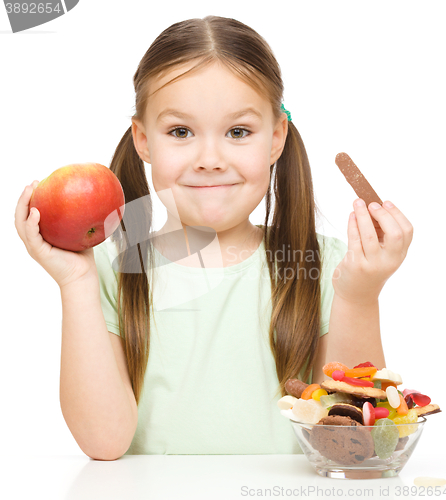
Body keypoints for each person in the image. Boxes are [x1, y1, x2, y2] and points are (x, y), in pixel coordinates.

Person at [14, 15, 414, 459]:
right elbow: (104, 444)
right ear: (144, 140)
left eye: (238, 132)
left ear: (276, 137)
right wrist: (75, 283)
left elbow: (352, 444)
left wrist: (360, 297)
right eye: (180, 132)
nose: (210, 158)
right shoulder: (113, 268)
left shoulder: (328, 266)